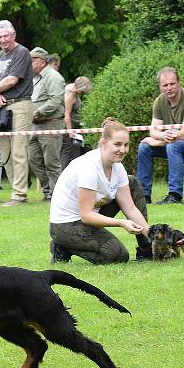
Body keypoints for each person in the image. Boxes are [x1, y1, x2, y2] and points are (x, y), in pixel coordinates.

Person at [49, 118, 152, 264]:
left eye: (126, 145)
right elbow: (86, 216)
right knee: (118, 255)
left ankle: (146, 249)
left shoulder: (118, 167)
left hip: (88, 217)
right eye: (117, 144)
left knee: (132, 183)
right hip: (65, 225)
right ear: (104, 143)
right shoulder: (89, 168)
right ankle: (62, 246)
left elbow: (130, 208)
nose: (122, 150)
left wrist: (152, 236)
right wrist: (121, 223)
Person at [136, 67, 184, 205]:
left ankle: (175, 195)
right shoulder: (159, 101)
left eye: (172, 84)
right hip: (171, 143)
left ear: (179, 83)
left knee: (173, 147)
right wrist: (160, 137)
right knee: (144, 147)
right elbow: (153, 131)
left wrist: (159, 140)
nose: (169, 88)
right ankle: (143, 196)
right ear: (160, 87)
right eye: (165, 85)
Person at [0, 20, 34, 207]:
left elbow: (12, 80)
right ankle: (16, 192)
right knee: (5, 152)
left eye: (6, 36)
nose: (3, 40)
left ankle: (20, 196)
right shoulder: (0, 56)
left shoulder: (21, 52)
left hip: (20, 105)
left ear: (14, 35)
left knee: (19, 151)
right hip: (3, 107)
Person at [27, 47, 66, 201]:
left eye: (33, 60)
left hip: (51, 124)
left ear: (42, 62)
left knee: (52, 162)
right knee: (33, 159)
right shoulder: (36, 78)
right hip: (36, 125)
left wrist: (38, 112)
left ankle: (57, 194)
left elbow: (55, 101)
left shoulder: (54, 77)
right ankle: (47, 191)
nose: (29, 63)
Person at [60, 76, 92, 170]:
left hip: (75, 128)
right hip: (70, 129)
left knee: (76, 152)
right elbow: (66, 115)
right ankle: (66, 176)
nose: (82, 93)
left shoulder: (71, 88)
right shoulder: (70, 95)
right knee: (70, 154)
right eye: (82, 91)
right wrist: (70, 131)